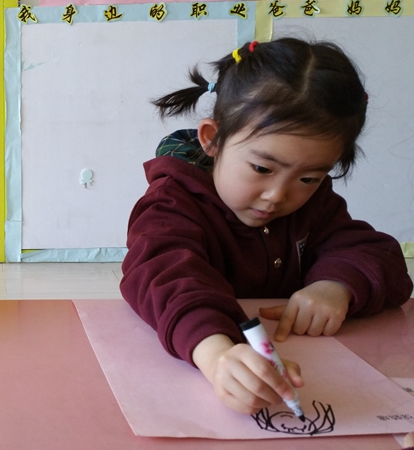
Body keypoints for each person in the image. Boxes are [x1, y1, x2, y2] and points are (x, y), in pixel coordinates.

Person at [120, 38, 413, 416]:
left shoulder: (316, 205)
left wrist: (336, 287)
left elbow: (379, 257)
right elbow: (161, 275)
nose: (278, 196)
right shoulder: (172, 203)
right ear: (213, 140)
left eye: (308, 178)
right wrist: (216, 355)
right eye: (262, 168)